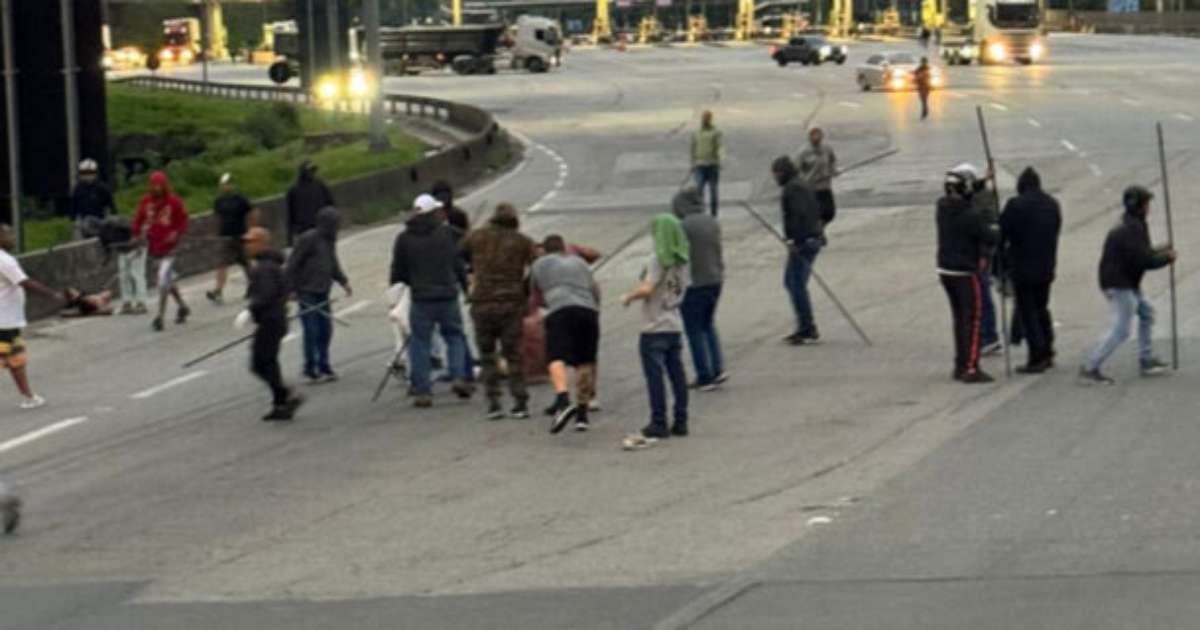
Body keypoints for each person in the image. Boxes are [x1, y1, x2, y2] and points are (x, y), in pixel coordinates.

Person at [1079, 186, 1176, 385]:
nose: (1149, 208)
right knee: (1122, 329)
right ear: (1138, 206)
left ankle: (1146, 359)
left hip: (1126, 280)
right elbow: (1143, 260)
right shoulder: (1131, 229)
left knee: (1147, 314)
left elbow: (1143, 252)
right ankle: (1090, 367)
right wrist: (1166, 258)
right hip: (1119, 283)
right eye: (1147, 204)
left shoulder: (1135, 224)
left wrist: (1160, 249)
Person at [390, 194, 474, 408]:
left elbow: (397, 271)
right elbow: (459, 263)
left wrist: (412, 282)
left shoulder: (404, 238)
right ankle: (458, 376)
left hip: (421, 297)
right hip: (447, 294)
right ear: (433, 212)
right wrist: (465, 288)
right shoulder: (447, 234)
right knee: (454, 336)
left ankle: (423, 390)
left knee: (420, 343)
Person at [461, 203, 538, 420]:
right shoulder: (522, 241)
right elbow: (538, 263)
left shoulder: (476, 237)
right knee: (513, 354)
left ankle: (494, 403)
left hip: (482, 303)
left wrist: (474, 268)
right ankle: (520, 402)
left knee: (487, 355)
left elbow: (459, 252)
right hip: (511, 304)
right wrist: (525, 287)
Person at [621, 214, 691, 440]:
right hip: (674, 321)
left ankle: (658, 421)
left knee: (655, 377)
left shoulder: (658, 259)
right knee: (677, 374)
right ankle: (681, 420)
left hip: (654, 325)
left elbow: (648, 288)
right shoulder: (683, 261)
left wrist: (628, 296)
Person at [533, 235, 602, 434]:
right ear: (564, 248)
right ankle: (582, 414)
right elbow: (594, 289)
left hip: (560, 310)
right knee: (585, 362)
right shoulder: (580, 262)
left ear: (545, 250)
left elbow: (536, 296)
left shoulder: (539, 264)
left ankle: (563, 399)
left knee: (555, 357)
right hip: (588, 312)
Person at [936, 167, 999, 384]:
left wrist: (983, 181)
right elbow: (990, 237)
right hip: (965, 271)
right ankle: (971, 367)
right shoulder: (969, 216)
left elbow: (967, 192)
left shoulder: (942, 208)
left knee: (959, 319)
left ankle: (960, 363)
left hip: (946, 270)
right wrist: (997, 226)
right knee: (972, 319)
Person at [1000, 167, 1062, 373]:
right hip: (1046, 265)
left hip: (1023, 267)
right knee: (1042, 309)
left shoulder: (1015, 205)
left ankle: (1037, 356)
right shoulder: (1052, 204)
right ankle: (1048, 349)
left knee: (1028, 313)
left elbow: (1002, 234)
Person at [243, 226, 304, 421]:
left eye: (250, 242)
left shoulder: (265, 267)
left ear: (261, 242)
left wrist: (250, 309)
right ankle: (280, 403)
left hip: (271, 320)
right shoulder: (268, 264)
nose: (247, 246)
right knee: (268, 362)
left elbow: (267, 293)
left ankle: (286, 394)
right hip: (274, 319)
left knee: (259, 363)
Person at [286, 206, 352, 383]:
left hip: (323, 291)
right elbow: (292, 264)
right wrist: (290, 289)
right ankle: (310, 367)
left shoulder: (330, 240)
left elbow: (332, 262)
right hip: (307, 292)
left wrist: (343, 280)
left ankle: (324, 364)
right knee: (312, 330)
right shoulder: (308, 239)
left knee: (325, 330)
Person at [0, 224, 62, 409]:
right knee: (12, 358)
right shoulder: (5, 260)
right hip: (4, 318)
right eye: (8, 234)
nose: (13, 237)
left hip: (7, 317)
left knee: (14, 359)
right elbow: (25, 283)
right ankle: (28, 396)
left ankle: (28, 396)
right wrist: (53, 295)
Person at [673, 187, 727, 390]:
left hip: (695, 283)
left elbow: (675, 257)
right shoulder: (711, 221)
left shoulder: (683, 226)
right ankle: (718, 369)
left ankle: (704, 375)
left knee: (693, 329)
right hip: (715, 279)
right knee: (708, 325)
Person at [772, 156, 825, 345]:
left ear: (784, 172)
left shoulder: (792, 189)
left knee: (795, 284)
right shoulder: (802, 184)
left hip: (804, 241)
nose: (775, 177)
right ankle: (806, 325)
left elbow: (799, 215)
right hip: (813, 238)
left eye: (777, 173)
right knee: (793, 283)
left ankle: (807, 327)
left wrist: (794, 239)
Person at [131, 171, 190, 332]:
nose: (156, 188)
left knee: (163, 279)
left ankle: (160, 316)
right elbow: (138, 219)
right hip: (154, 247)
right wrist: (136, 235)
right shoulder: (146, 202)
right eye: (154, 185)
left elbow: (183, 220)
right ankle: (182, 306)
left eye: (159, 185)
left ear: (164, 185)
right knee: (168, 280)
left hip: (170, 247)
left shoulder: (174, 202)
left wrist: (176, 233)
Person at [954, 164, 1002, 355]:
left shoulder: (981, 199)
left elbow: (989, 228)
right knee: (979, 294)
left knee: (981, 294)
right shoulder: (978, 194)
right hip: (972, 253)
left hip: (980, 254)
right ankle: (984, 335)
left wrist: (983, 254)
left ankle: (988, 336)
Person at [207, 173, 257, 305]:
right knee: (221, 264)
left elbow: (251, 214)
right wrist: (215, 234)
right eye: (224, 184)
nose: (227, 186)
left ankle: (255, 285)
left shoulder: (241, 200)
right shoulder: (219, 201)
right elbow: (216, 218)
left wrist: (251, 231)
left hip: (241, 235)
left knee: (246, 263)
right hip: (225, 237)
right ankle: (218, 291)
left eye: (229, 183)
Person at [796, 127, 839, 225]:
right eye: (813, 134)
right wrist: (803, 180)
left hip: (825, 186)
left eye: (818, 133)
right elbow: (797, 170)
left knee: (829, 213)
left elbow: (832, 160)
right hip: (811, 188)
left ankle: (819, 229)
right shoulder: (803, 152)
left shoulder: (827, 148)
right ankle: (816, 231)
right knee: (815, 214)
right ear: (809, 136)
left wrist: (833, 170)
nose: (816, 136)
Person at [286, 160, 334, 246]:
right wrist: (289, 237)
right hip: (304, 230)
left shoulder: (320, 184)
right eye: (309, 170)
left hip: (321, 226)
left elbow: (330, 204)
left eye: (313, 170)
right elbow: (290, 214)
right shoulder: (294, 190)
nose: (312, 173)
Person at [69, 158, 117, 239]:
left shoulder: (102, 188)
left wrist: (112, 216)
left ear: (95, 174)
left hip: (100, 220)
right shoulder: (78, 189)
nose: (88, 176)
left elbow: (111, 205)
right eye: (84, 173)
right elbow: (73, 206)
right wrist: (73, 220)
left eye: (90, 173)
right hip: (83, 222)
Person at [690, 110, 723, 217]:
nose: (705, 120)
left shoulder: (716, 132)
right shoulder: (696, 132)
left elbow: (720, 147)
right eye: (704, 118)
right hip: (700, 165)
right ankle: (700, 212)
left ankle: (714, 214)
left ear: (710, 119)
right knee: (699, 189)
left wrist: (720, 160)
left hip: (712, 165)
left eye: (707, 118)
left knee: (713, 191)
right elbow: (693, 148)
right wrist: (693, 163)